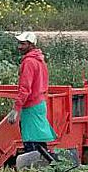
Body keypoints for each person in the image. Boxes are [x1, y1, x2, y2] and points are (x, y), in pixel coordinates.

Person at [7, 32, 58, 162]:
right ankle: (46, 168)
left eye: (23, 44)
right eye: (19, 43)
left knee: (31, 143)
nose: (19, 47)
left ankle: (35, 171)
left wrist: (16, 109)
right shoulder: (40, 60)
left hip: (31, 106)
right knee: (40, 142)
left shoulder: (29, 62)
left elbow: (25, 88)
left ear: (31, 45)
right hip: (40, 104)